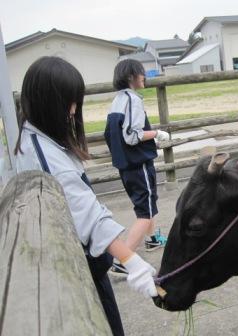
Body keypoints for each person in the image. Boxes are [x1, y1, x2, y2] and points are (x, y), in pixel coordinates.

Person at [14, 56, 159, 336]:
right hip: (81, 262)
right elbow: (87, 216)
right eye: (70, 102)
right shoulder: (46, 158)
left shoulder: (35, 138)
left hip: (80, 256)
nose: (73, 110)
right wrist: (133, 262)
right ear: (49, 103)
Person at [104, 59, 169, 276]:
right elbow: (132, 136)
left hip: (127, 166)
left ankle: (152, 240)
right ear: (132, 75)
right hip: (138, 164)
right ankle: (122, 261)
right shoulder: (133, 100)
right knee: (144, 212)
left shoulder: (117, 100)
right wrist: (157, 133)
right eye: (141, 73)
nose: (144, 77)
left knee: (147, 204)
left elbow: (111, 135)